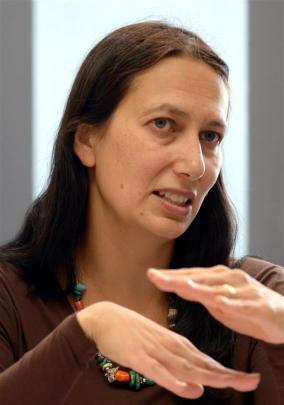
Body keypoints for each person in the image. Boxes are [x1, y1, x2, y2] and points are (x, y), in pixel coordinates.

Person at [0, 20, 283, 405]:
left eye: (210, 136)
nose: (195, 165)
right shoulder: (9, 299)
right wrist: (85, 333)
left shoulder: (259, 301)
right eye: (163, 124)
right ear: (86, 140)